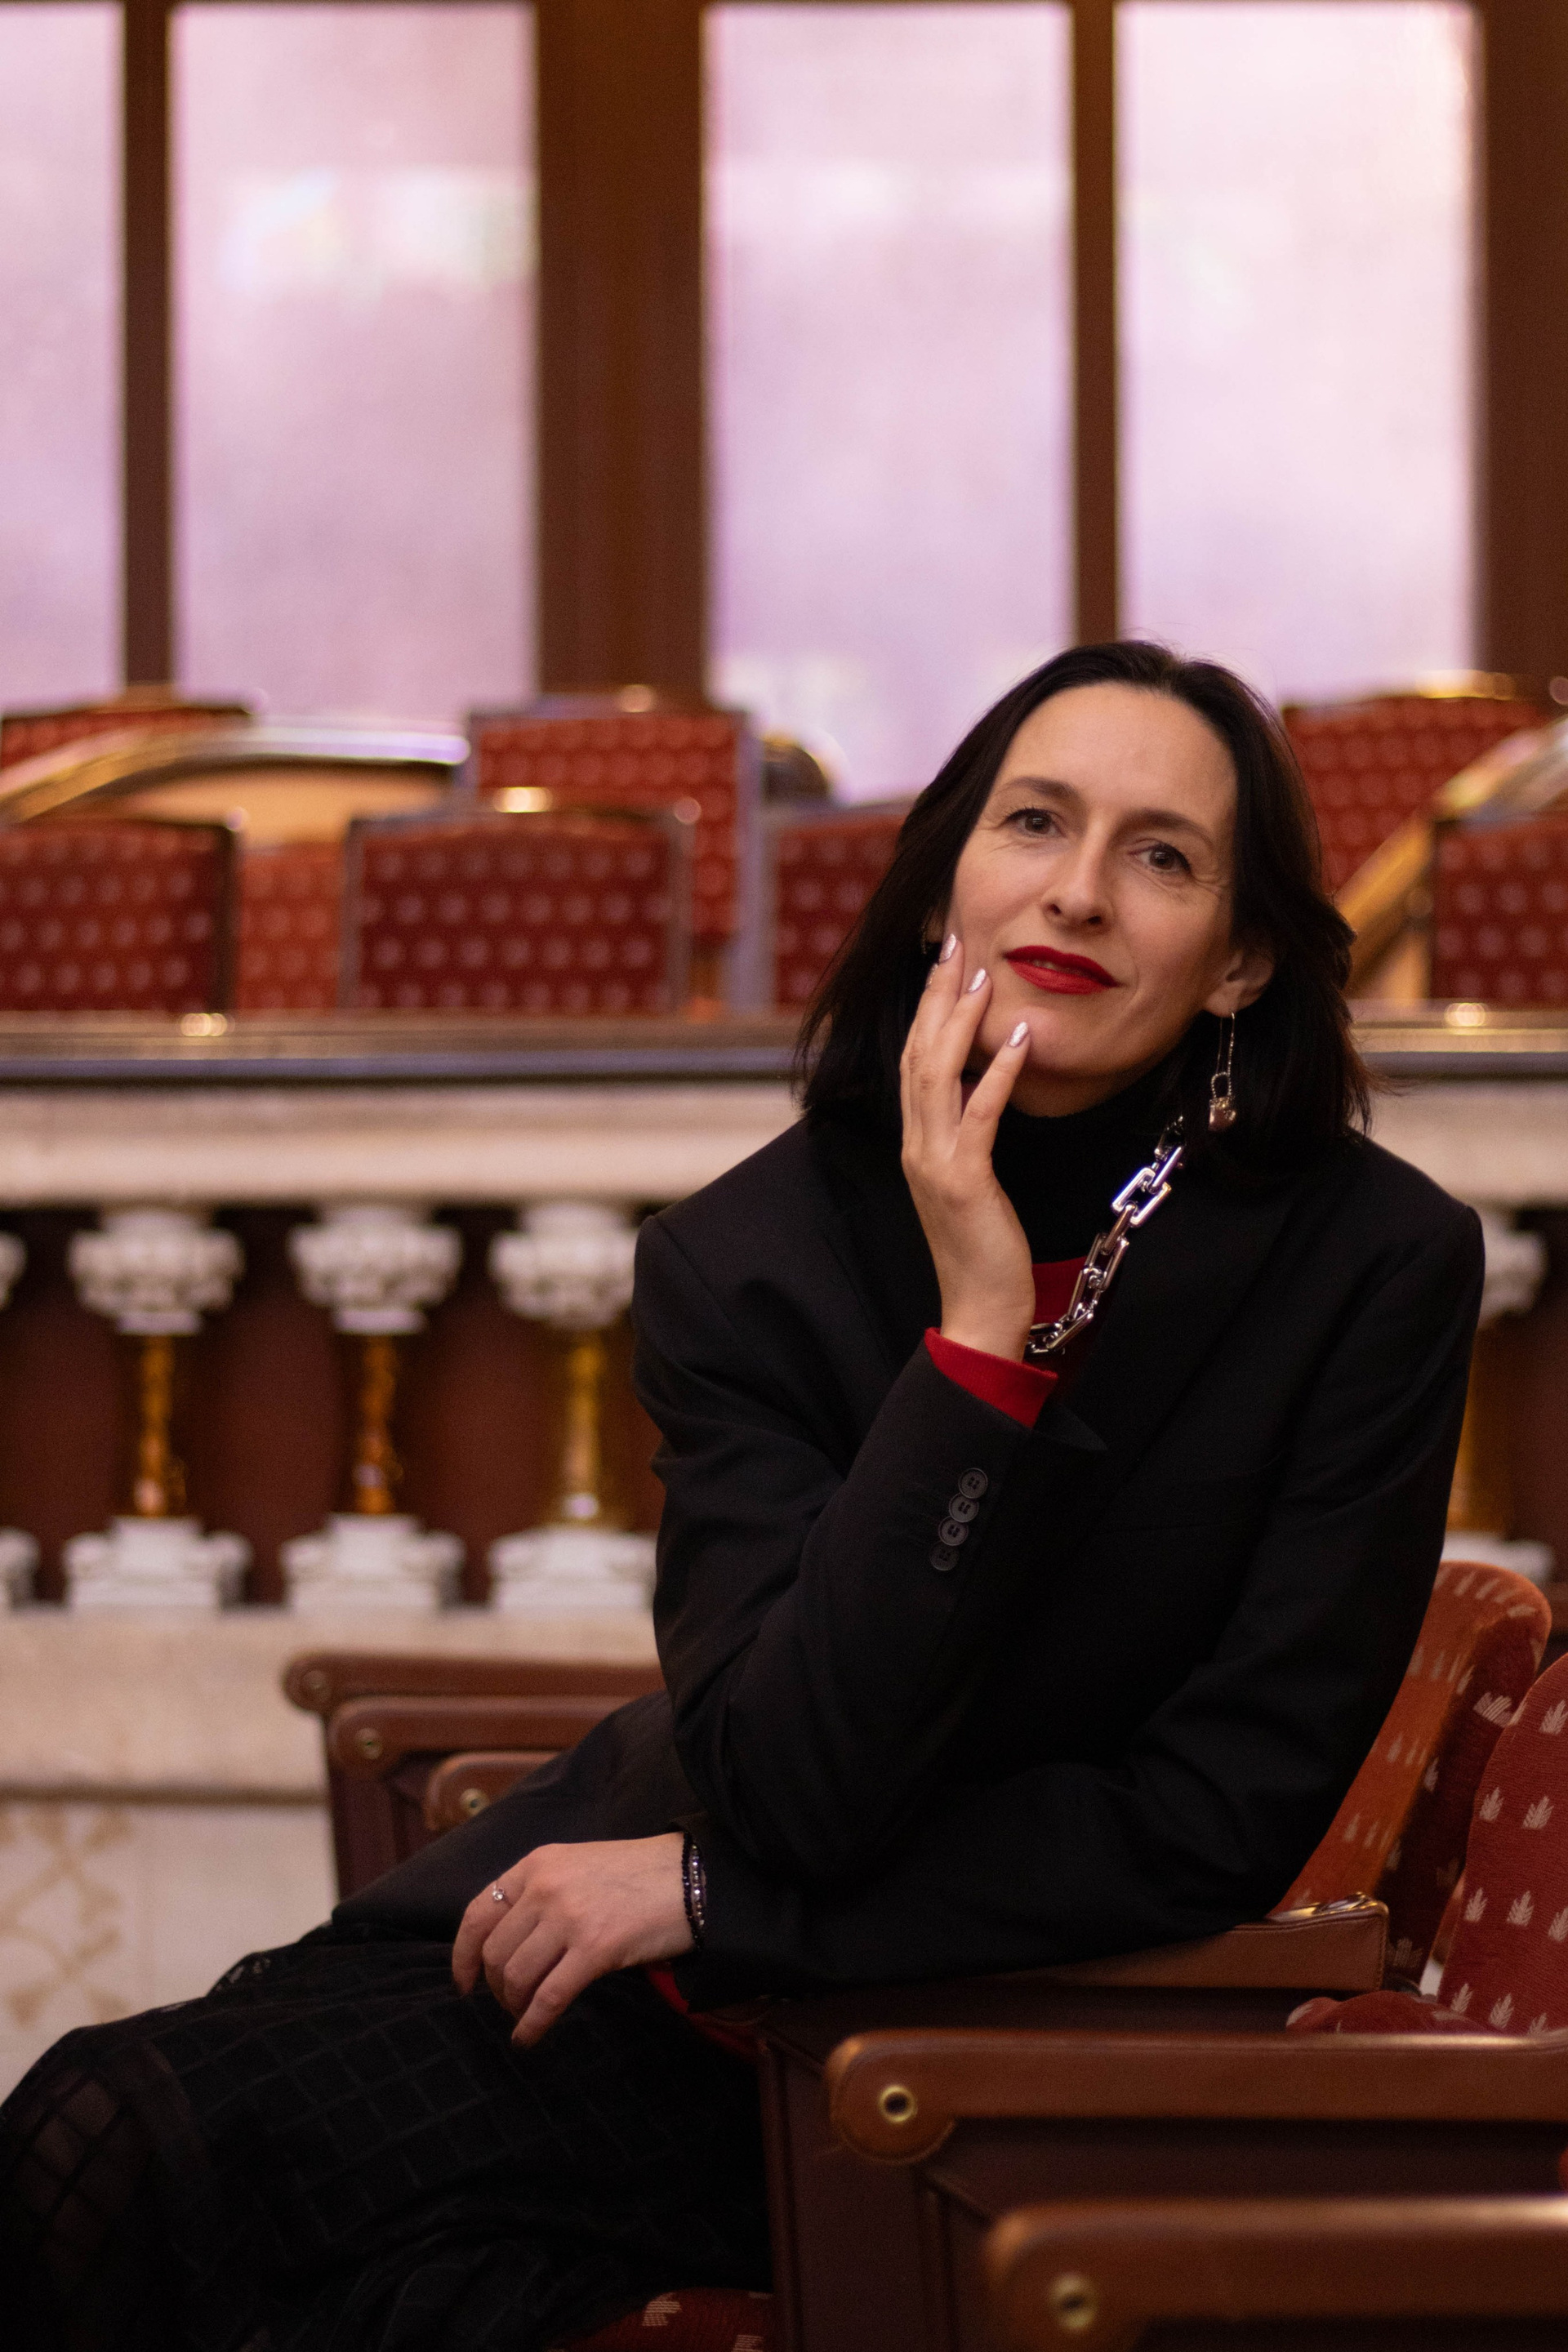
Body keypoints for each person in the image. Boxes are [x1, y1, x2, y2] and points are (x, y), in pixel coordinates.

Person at [2, 641, 1482, 2350]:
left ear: (1239, 960)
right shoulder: (750, 1256)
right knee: (219, 2206)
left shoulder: (1372, 1269)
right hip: (622, 1978)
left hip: (965, 2053)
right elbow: (787, 1769)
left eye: (1162, 855)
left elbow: (1210, 1823)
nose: (1078, 889)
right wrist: (973, 1340)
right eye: (1034, 822)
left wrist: (715, 1893)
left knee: (134, 2162)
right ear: (944, 885)